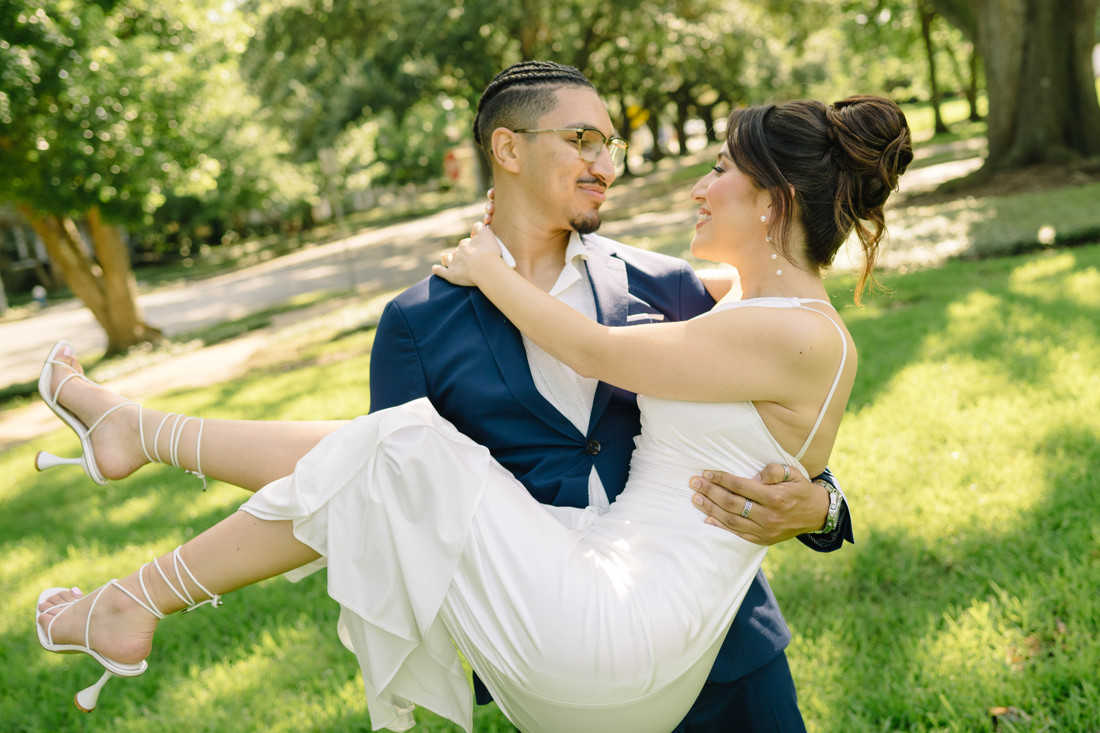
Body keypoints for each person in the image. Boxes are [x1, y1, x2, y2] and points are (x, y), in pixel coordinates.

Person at [33, 91, 912, 731]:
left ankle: (138, 463)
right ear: (508, 149)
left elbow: (753, 412)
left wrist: (823, 505)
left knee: (403, 449)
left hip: (707, 655)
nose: (612, 163)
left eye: (719, 167)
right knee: (388, 455)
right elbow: (366, 496)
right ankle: (134, 475)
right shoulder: (422, 322)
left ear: (772, 200)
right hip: (549, 627)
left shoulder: (673, 288)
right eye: (584, 139)